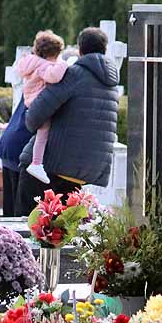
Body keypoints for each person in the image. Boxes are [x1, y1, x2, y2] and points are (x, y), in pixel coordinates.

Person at [14, 26, 120, 213]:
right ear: (104, 48)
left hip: (51, 165)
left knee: (28, 223)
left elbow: (33, 118)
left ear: (80, 49)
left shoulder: (74, 74)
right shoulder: (110, 84)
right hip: (85, 170)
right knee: (60, 231)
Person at [12, 30, 68, 185]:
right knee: (43, 133)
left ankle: (37, 163)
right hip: (39, 103)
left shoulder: (30, 61)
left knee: (42, 134)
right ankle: (37, 164)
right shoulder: (44, 66)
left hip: (30, 101)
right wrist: (64, 64)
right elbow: (54, 77)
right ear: (52, 54)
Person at [0, 99, 30, 217]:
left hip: (11, 143)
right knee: (20, 217)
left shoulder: (33, 83)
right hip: (22, 147)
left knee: (10, 215)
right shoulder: (49, 84)